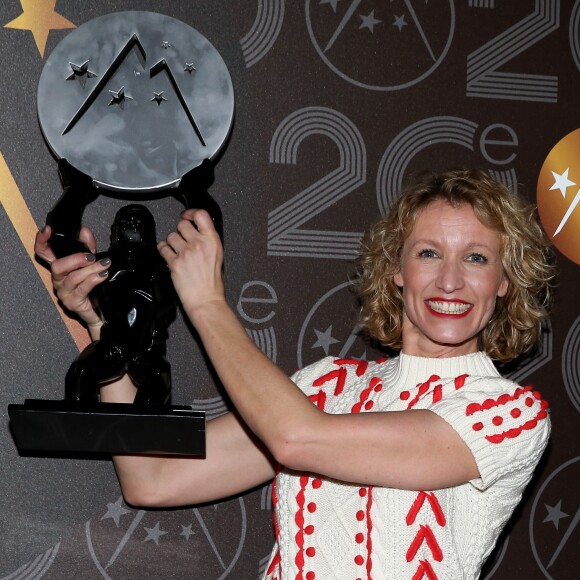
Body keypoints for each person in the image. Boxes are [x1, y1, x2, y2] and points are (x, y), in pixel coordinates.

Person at [35, 169, 555, 579]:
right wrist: (109, 332)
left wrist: (208, 303)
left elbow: (296, 440)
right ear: (397, 269)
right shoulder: (327, 385)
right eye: (428, 253)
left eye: (477, 258)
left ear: (504, 281)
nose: (450, 280)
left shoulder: (509, 415)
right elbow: (153, 480)